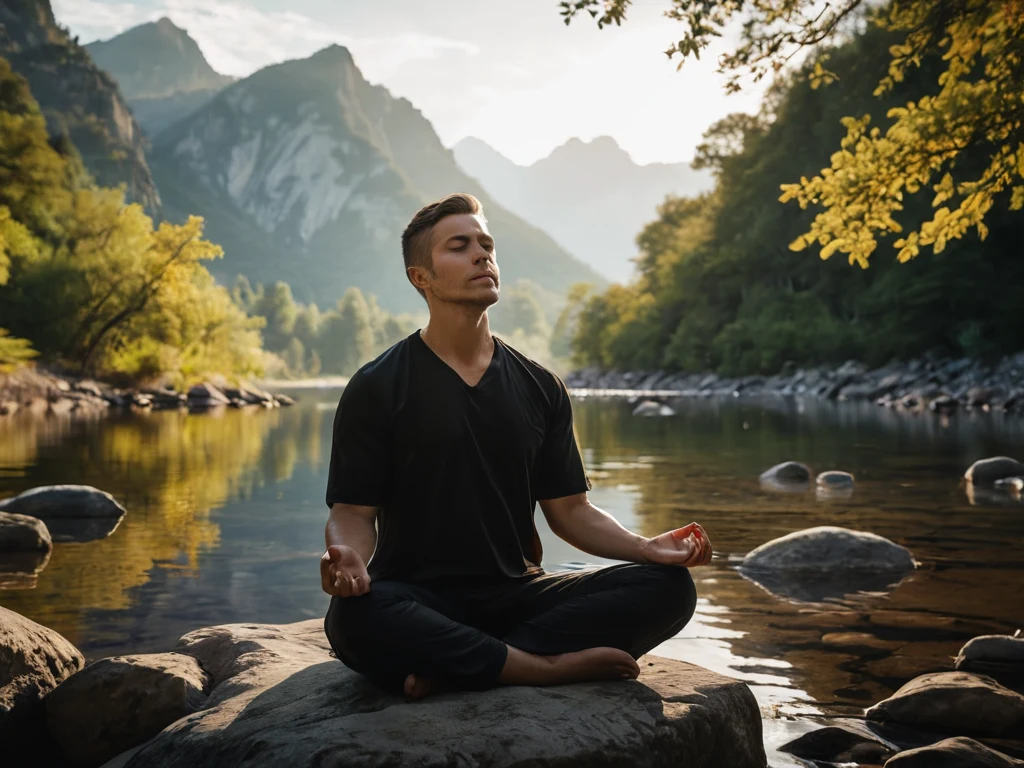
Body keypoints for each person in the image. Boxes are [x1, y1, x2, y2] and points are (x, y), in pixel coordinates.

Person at [321, 193, 712, 701]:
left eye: (486, 245)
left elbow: (571, 512)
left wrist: (647, 548)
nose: (482, 255)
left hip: (518, 593)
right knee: (354, 616)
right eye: (459, 247)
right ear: (422, 278)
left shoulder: (540, 386)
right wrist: (347, 556)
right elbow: (353, 510)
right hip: (416, 595)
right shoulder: (377, 385)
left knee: (668, 588)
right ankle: (540, 667)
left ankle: (463, 665)